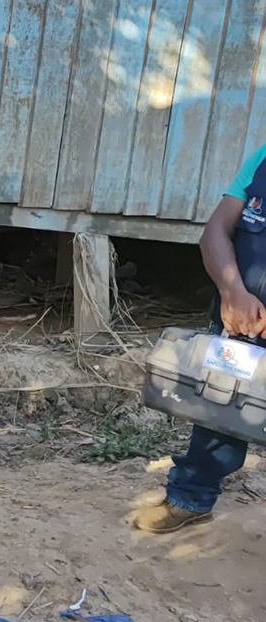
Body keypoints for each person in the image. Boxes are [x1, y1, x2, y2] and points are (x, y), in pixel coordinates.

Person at [134, 141, 266, 533]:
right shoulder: (263, 158)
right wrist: (233, 293)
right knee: (218, 408)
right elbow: (215, 232)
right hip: (240, 321)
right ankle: (190, 498)